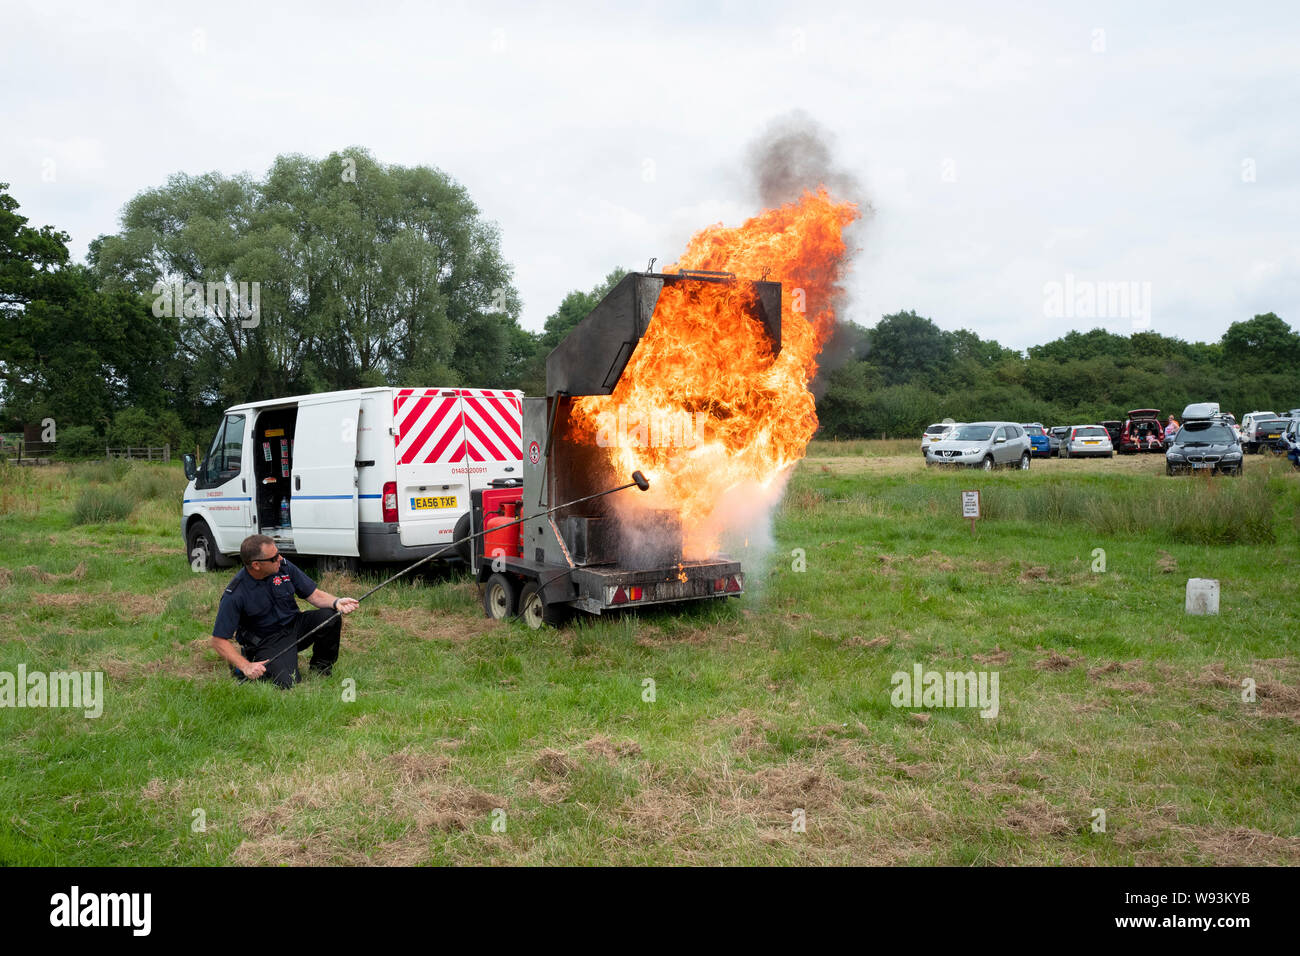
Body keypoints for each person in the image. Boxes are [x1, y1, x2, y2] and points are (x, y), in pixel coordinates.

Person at [210, 534, 359, 688]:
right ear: (256, 565)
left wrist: (336, 601)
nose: (280, 558)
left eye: (279, 553)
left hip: (295, 626)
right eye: (274, 558)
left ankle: (321, 669)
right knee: (287, 682)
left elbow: (313, 595)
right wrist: (245, 666)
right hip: (268, 640)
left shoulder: (284, 566)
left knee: (331, 615)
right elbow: (218, 640)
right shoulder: (236, 593)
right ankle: (243, 667)